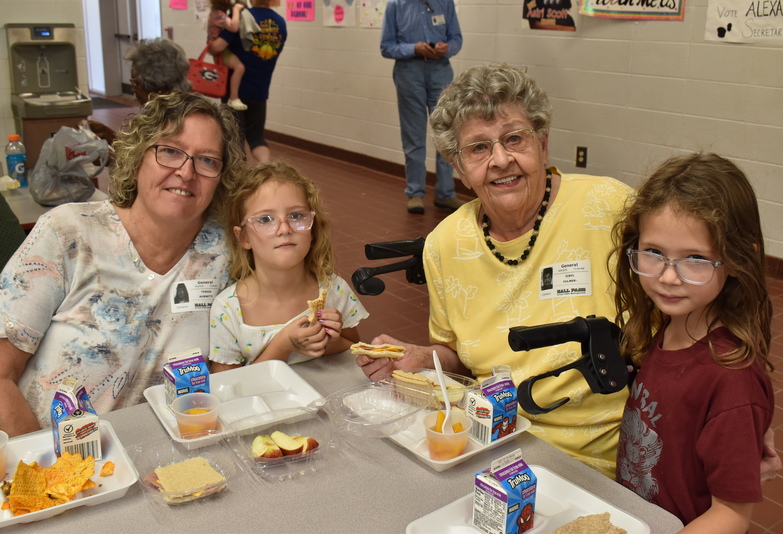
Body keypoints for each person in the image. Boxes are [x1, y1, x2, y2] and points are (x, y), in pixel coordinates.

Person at [356, 63, 633, 478]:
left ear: (542, 142)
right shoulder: (445, 246)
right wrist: (422, 358)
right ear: (458, 166)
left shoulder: (611, 208)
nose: (501, 160)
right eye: (479, 148)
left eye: (514, 138)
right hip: (495, 441)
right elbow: (460, 361)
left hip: (612, 452)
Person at [0, 92, 245, 437]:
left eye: (207, 160)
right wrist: (45, 471)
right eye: (171, 151)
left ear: (222, 176)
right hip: (53, 462)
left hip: (170, 457)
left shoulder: (228, 251)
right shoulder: (69, 233)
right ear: (138, 156)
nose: (186, 172)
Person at [612, 153, 775, 531]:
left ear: (736, 260)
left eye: (696, 258)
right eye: (654, 253)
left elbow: (731, 514)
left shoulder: (732, 381)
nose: (669, 277)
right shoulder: (671, 327)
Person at [209, 162, 368, 370]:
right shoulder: (228, 309)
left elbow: (354, 353)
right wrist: (283, 346)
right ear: (244, 237)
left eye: (296, 216)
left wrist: (327, 337)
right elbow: (225, 385)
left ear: (313, 228)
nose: (284, 228)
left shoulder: (334, 291)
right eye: (265, 219)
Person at [380, 0, 465, 215]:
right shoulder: (395, 5)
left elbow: (456, 38)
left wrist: (448, 48)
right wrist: (413, 48)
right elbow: (386, 46)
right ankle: (416, 193)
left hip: (441, 70)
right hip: (409, 71)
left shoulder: (445, 3)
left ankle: (445, 193)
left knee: (446, 132)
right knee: (413, 134)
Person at [210, 0, 287, 164]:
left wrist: (210, 46)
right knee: (257, 138)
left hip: (234, 93)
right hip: (260, 90)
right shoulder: (280, 23)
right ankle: (265, 170)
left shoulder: (243, 17)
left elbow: (217, 47)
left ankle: (237, 183)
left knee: (234, 141)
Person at [88, 39, 192, 145]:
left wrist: (110, 158)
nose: (133, 89)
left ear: (158, 84)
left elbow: (148, 158)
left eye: (135, 83)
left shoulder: (176, 123)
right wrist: (111, 137)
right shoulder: (171, 111)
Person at [207, 0, 248, 111]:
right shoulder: (217, 14)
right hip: (220, 52)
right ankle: (233, 98)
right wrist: (236, 9)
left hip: (223, 50)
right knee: (239, 67)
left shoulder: (219, 13)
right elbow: (234, 27)